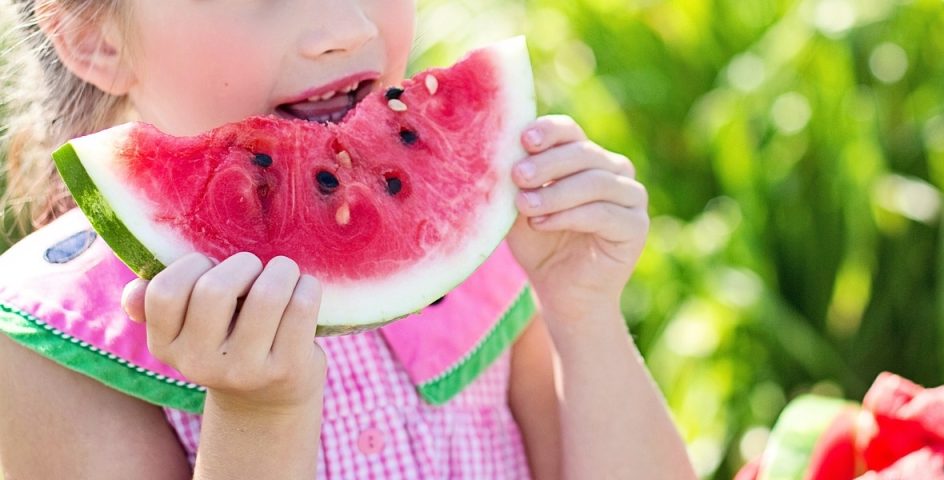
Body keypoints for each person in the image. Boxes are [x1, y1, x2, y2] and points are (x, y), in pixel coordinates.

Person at [0, 1, 696, 478]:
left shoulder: (480, 251)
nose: (341, 27)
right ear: (95, 39)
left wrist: (585, 315)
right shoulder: (50, 341)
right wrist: (257, 419)